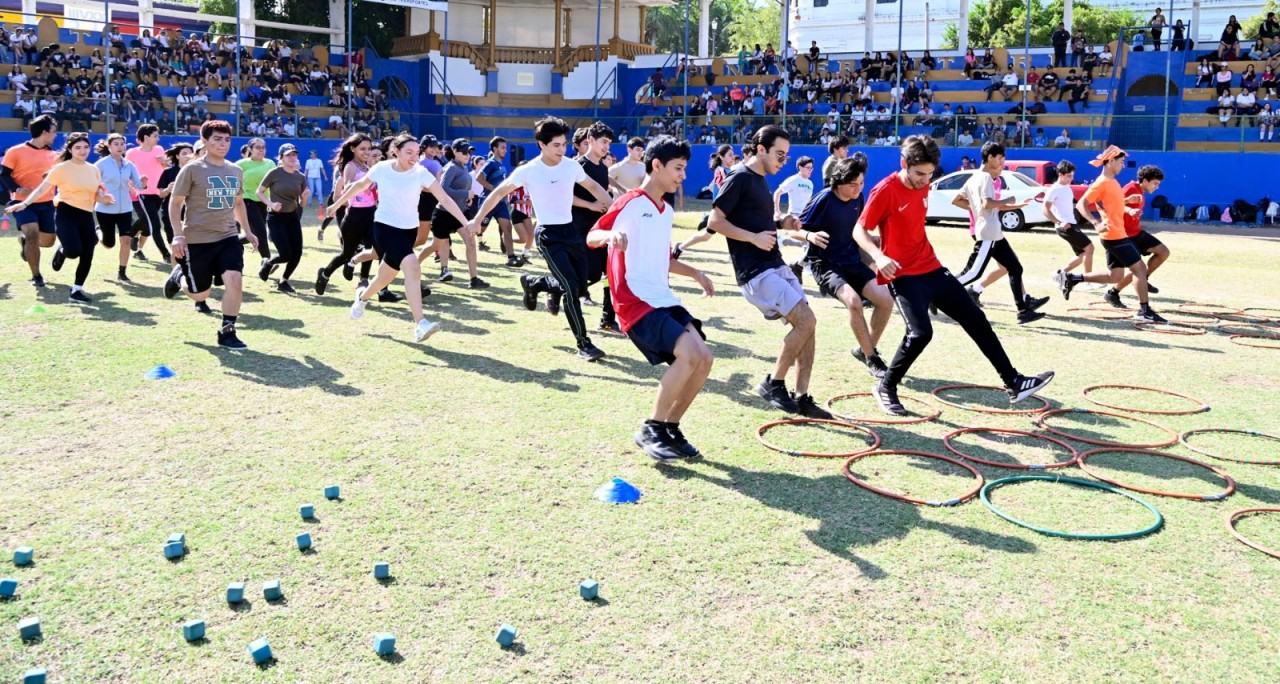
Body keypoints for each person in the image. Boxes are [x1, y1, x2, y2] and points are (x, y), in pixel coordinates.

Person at [853, 135, 1054, 415]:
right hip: (903, 274)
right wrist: (878, 256)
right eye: (919, 174)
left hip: (932, 267)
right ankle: (886, 387)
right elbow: (859, 230)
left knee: (976, 318)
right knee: (921, 334)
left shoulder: (923, 184)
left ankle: (1014, 382)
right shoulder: (885, 190)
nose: (924, 181)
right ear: (903, 164)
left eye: (930, 174)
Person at [586, 136, 715, 462]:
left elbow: (663, 259)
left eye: (684, 169)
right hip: (634, 299)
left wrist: (696, 273)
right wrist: (611, 235)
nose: (682, 176)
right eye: (678, 168)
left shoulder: (665, 211)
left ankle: (670, 428)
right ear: (656, 166)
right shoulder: (631, 201)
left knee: (704, 358)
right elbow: (592, 235)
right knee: (687, 355)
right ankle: (651, 427)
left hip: (662, 296)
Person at [469, 116, 614, 361]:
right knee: (570, 288)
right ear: (542, 144)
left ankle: (535, 283)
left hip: (572, 233)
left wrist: (616, 211)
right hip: (548, 235)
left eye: (564, 144)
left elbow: (595, 189)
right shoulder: (529, 170)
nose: (562, 149)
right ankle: (584, 344)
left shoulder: (571, 166)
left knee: (579, 287)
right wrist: (477, 219)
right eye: (556, 145)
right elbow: (498, 193)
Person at [710, 125, 830, 418]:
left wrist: (781, 223)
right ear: (760, 149)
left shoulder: (760, 179)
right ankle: (773, 383)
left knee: (808, 326)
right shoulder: (738, 177)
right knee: (806, 321)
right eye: (779, 154)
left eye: (787, 156)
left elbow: (754, 220)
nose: (783, 161)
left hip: (774, 263)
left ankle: (802, 397)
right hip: (755, 272)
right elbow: (714, 221)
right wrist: (752, 238)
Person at [327, 133, 471, 342]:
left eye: (417, 153)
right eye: (409, 153)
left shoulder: (421, 172)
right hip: (385, 227)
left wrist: (466, 223)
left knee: (385, 277)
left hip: (408, 230)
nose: (414, 157)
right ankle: (420, 324)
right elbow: (359, 186)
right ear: (395, 151)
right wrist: (337, 204)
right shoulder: (382, 169)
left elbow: (445, 199)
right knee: (412, 266)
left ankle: (363, 297)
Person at [796, 153, 894, 379]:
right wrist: (809, 236)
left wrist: (873, 247)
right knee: (853, 302)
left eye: (861, 183)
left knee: (886, 300)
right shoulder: (823, 199)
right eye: (853, 185)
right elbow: (794, 229)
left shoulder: (858, 199)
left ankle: (865, 349)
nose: (858, 189)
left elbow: (856, 233)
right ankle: (873, 359)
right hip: (826, 264)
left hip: (852, 260)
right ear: (838, 182)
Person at [162, 120, 256, 348]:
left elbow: (238, 203)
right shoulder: (192, 169)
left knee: (234, 280)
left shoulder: (235, 169)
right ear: (204, 141)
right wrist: (178, 235)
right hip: (197, 239)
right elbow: (175, 204)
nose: (223, 144)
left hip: (227, 237)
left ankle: (227, 331)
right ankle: (179, 277)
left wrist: (248, 231)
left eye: (226, 139)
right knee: (200, 295)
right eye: (217, 139)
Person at [1055, 146, 1167, 323]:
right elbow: (1081, 204)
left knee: (1115, 277)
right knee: (1140, 269)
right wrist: (1096, 223)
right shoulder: (1102, 182)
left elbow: (1113, 204)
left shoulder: (1112, 182)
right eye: (1121, 162)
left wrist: (1127, 205)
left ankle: (1071, 278)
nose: (1123, 166)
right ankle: (1144, 310)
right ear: (1111, 161)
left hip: (1116, 234)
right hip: (1114, 235)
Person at [948, 142, 1048, 324]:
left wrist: (978, 207)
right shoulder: (986, 177)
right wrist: (1008, 199)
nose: (1003, 161)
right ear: (990, 157)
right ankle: (937, 292)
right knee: (972, 273)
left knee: (1015, 268)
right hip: (988, 232)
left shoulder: (973, 178)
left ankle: (1023, 310)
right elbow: (987, 204)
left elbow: (957, 200)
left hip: (995, 233)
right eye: (1001, 157)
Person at [7, 132, 112, 303]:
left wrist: (102, 198)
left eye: (86, 147)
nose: (83, 150)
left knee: (88, 252)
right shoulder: (61, 168)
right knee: (73, 251)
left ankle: (77, 290)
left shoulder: (93, 169)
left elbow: (94, 193)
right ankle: (62, 251)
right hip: (66, 213)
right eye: (78, 147)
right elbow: (41, 189)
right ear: (70, 149)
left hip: (86, 214)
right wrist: (24, 204)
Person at [314, 134, 383, 297]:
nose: (366, 152)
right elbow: (349, 185)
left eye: (368, 149)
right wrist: (362, 185)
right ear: (352, 149)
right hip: (354, 216)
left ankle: (361, 275)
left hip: (371, 213)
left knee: (374, 249)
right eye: (362, 149)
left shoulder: (367, 167)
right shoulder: (350, 166)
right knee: (346, 253)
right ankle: (325, 274)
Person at [422, 138, 489, 289]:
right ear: (455, 152)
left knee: (471, 242)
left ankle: (474, 279)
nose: (468, 155)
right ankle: (415, 266)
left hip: (460, 213)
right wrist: (466, 193)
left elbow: (460, 191)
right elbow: (443, 190)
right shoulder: (451, 168)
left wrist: (467, 199)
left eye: (469, 152)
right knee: (437, 245)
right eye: (464, 152)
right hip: (444, 214)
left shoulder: (463, 168)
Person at [571, 122, 618, 331]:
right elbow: (565, 196)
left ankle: (608, 319)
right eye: (603, 142)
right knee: (590, 276)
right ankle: (552, 288)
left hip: (602, 229)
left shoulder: (602, 168)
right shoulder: (577, 166)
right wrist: (589, 205)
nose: (606, 146)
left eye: (608, 143)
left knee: (611, 273)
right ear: (590, 140)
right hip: (580, 230)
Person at [3, 114, 59, 288]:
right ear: (44, 132)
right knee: (33, 234)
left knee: (49, 242)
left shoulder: (54, 155)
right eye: (53, 131)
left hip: (47, 203)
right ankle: (37, 275)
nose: (55, 135)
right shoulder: (15, 151)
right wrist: (16, 188)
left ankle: (24, 241)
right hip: (22, 202)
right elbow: (3, 175)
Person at [255, 143, 310, 293]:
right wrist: (271, 204)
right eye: (288, 155)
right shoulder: (274, 173)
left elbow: (302, 203)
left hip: (292, 217)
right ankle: (268, 264)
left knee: (297, 253)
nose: (292, 157)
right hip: (275, 218)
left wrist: (304, 198)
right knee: (285, 254)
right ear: (281, 158)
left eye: (294, 154)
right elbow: (259, 192)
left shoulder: (300, 177)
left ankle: (284, 281)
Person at [1111, 165, 1169, 303]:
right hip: (1125, 236)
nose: (1157, 187)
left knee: (1163, 252)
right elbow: (1113, 205)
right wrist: (1128, 208)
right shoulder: (1130, 189)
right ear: (1145, 180)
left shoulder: (1140, 190)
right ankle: (1113, 293)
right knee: (1137, 269)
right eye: (1155, 183)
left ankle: (1144, 279)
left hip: (1136, 233)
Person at [93, 133, 146, 283]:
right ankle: (98, 232)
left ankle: (122, 272)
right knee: (109, 244)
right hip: (105, 209)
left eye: (122, 144)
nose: (120, 147)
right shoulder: (101, 164)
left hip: (125, 209)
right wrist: (101, 197)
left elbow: (138, 185)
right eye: (116, 144)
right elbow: (93, 184)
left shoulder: (129, 165)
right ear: (109, 146)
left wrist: (144, 182)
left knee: (126, 240)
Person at [156, 142, 203, 311]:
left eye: (190, 153)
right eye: (184, 153)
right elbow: (160, 194)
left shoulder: (200, 171)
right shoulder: (169, 172)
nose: (187, 156)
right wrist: (168, 190)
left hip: (195, 217)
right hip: (174, 215)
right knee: (179, 249)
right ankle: (178, 273)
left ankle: (186, 277)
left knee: (196, 252)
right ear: (177, 156)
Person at [672, 143, 737, 259]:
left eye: (733, 155)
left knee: (706, 236)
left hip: (725, 210)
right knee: (737, 229)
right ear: (722, 157)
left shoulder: (727, 170)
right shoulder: (721, 170)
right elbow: (721, 185)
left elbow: (713, 186)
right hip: (722, 211)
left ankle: (680, 247)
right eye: (730, 155)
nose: (733, 157)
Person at [125, 123, 170, 263]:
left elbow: (165, 167)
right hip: (142, 193)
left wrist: (165, 162)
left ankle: (131, 236)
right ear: (146, 137)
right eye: (155, 135)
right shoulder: (132, 153)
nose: (158, 138)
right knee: (154, 224)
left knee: (147, 223)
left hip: (159, 193)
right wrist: (132, 187)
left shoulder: (159, 150)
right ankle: (166, 254)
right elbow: (126, 172)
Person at [1042, 160, 1093, 276]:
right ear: (1060, 174)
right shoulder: (1055, 188)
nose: (1071, 178)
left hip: (1072, 224)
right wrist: (1059, 223)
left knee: (1082, 255)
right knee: (1089, 248)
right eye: (1069, 176)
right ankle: (1089, 280)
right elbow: (1045, 209)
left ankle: (1059, 274)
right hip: (1065, 226)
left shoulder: (1067, 188)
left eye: (1072, 176)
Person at [477, 136, 520, 265]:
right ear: (495, 149)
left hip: (500, 203)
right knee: (480, 230)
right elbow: (479, 178)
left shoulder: (502, 165)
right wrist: (494, 189)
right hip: (488, 202)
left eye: (505, 148)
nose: (505, 150)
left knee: (507, 227)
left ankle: (511, 257)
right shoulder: (490, 163)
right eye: (502, 148)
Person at [235, 138, 275, 267]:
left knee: (255, 234)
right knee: (261, 231)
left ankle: (228, 242)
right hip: (246, 200)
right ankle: (267, 262)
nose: (261, 150)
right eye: (258, 147)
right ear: (250, 150)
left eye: (263, 147)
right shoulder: (241, 164)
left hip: (263, 201)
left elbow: (274, 183)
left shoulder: (270, 163)